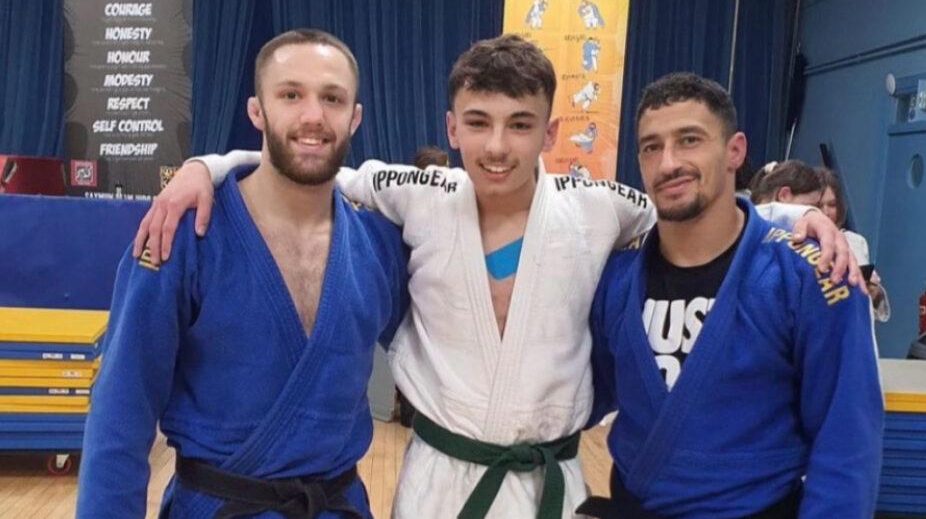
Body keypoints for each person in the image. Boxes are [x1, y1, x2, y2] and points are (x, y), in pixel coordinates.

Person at [133, 36, 859, 518]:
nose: (497, 146)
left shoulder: (601, 208)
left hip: (550, 482)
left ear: (550, 132)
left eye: (520, 124)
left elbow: (693, 210)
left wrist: (791, 216)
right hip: (438, 480)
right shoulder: (413, 193)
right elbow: (307, 163)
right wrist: (206, 166)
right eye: (477, 123)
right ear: (451, 128)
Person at [76, 30, 409, 519]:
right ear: (257, 111)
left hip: (337, 507)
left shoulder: (379, 244)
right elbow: (120, 411)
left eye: (332, 98)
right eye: (290, 95)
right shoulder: (182, 235)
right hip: (218, 507)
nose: (313, 116)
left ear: (354, 117)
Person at [578, 73, 883, 518]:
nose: (668, 163)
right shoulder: (616, 278)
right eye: (651, 147)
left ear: (734, 151)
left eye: (689, 140)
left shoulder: (813, 277)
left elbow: (846, 445)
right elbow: (582, 397)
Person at [818, 167, 890, 322]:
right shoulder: (800, 244)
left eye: (831, 204)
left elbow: (877, 313)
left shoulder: (856, 242)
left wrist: (873, 289)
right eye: (819, 205)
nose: (826, 212)